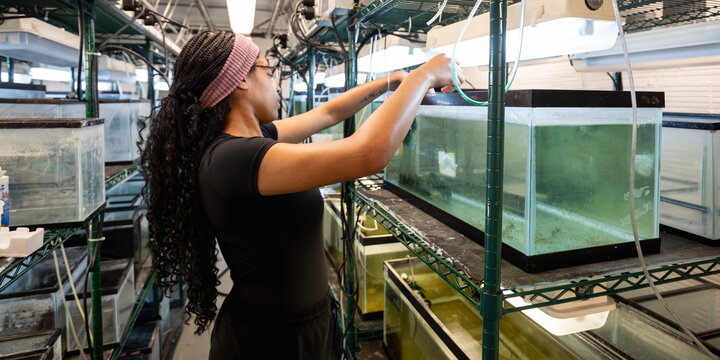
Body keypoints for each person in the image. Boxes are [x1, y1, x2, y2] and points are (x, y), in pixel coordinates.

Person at [141, 31, 464, 359]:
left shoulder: (255, 139)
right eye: (269, 72)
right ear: (240, 80)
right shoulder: (233, 158)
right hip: (272, 340)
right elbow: (368, 153)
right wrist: (424, 76)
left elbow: (328, 114)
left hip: (304, 325)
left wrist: (390, 83)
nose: (277, 82)